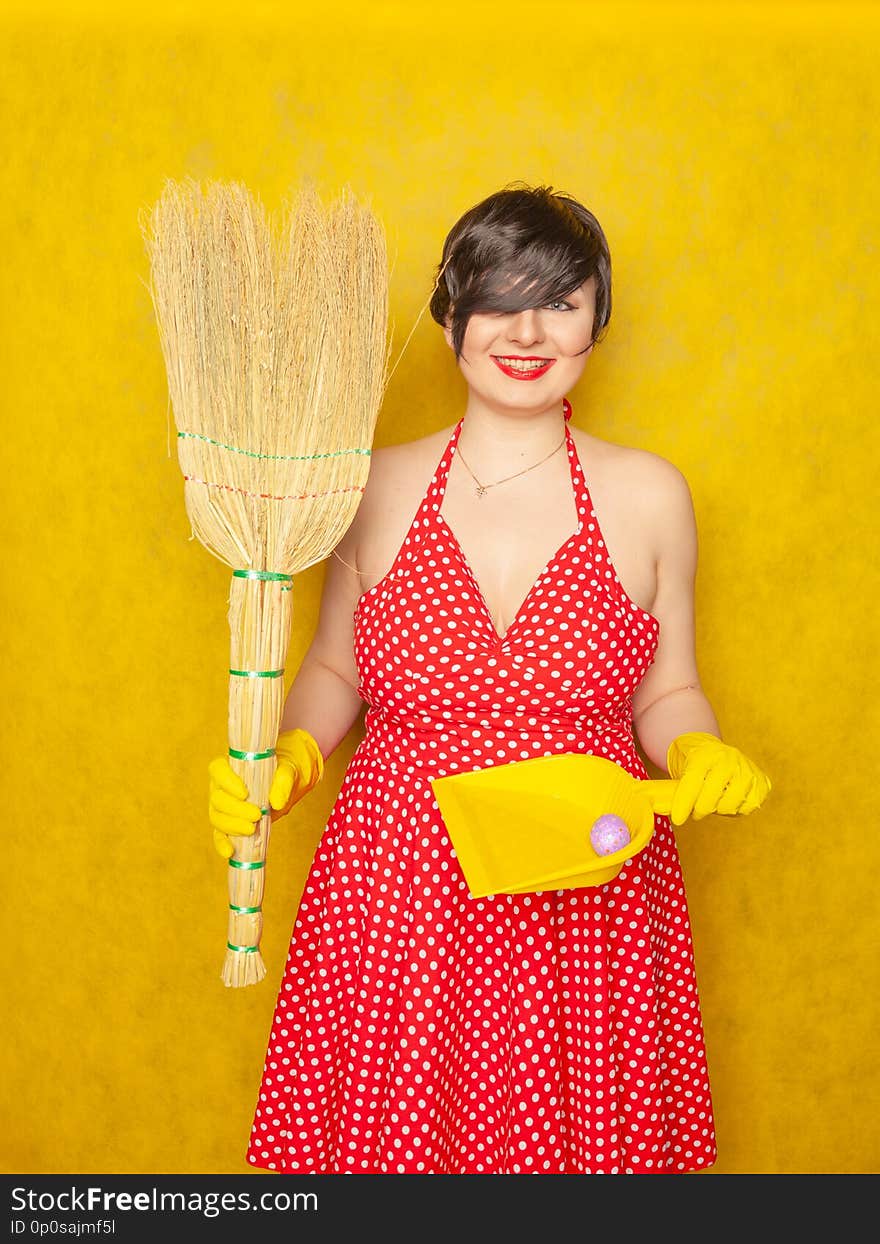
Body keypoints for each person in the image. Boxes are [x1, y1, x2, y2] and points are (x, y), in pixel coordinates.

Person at [208, 183, 771, 1175]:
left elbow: (666, 685)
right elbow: (337, 663)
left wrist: (698, 744)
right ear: (450, 314)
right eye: (497, 296)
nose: (526, 328)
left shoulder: (649, 493)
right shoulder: (368, 483)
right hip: (398, 881)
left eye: (558, 299)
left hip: (584, 876)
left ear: (597, 316)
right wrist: (287, 754)